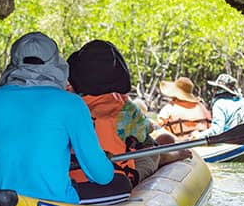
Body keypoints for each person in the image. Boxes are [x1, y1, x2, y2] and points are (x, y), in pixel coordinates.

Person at [0, 32, 115, 204]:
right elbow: (102, 176)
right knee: (120, 183)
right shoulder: (72, 104)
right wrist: (106, 162)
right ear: (56, 64)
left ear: (13, 62)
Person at [67, 40, 189, 193]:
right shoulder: (124, 107)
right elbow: (146, 131)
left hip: (73, 178)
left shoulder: (68, 104)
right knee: (153, 150)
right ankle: (169, 156)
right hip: (117, 180)